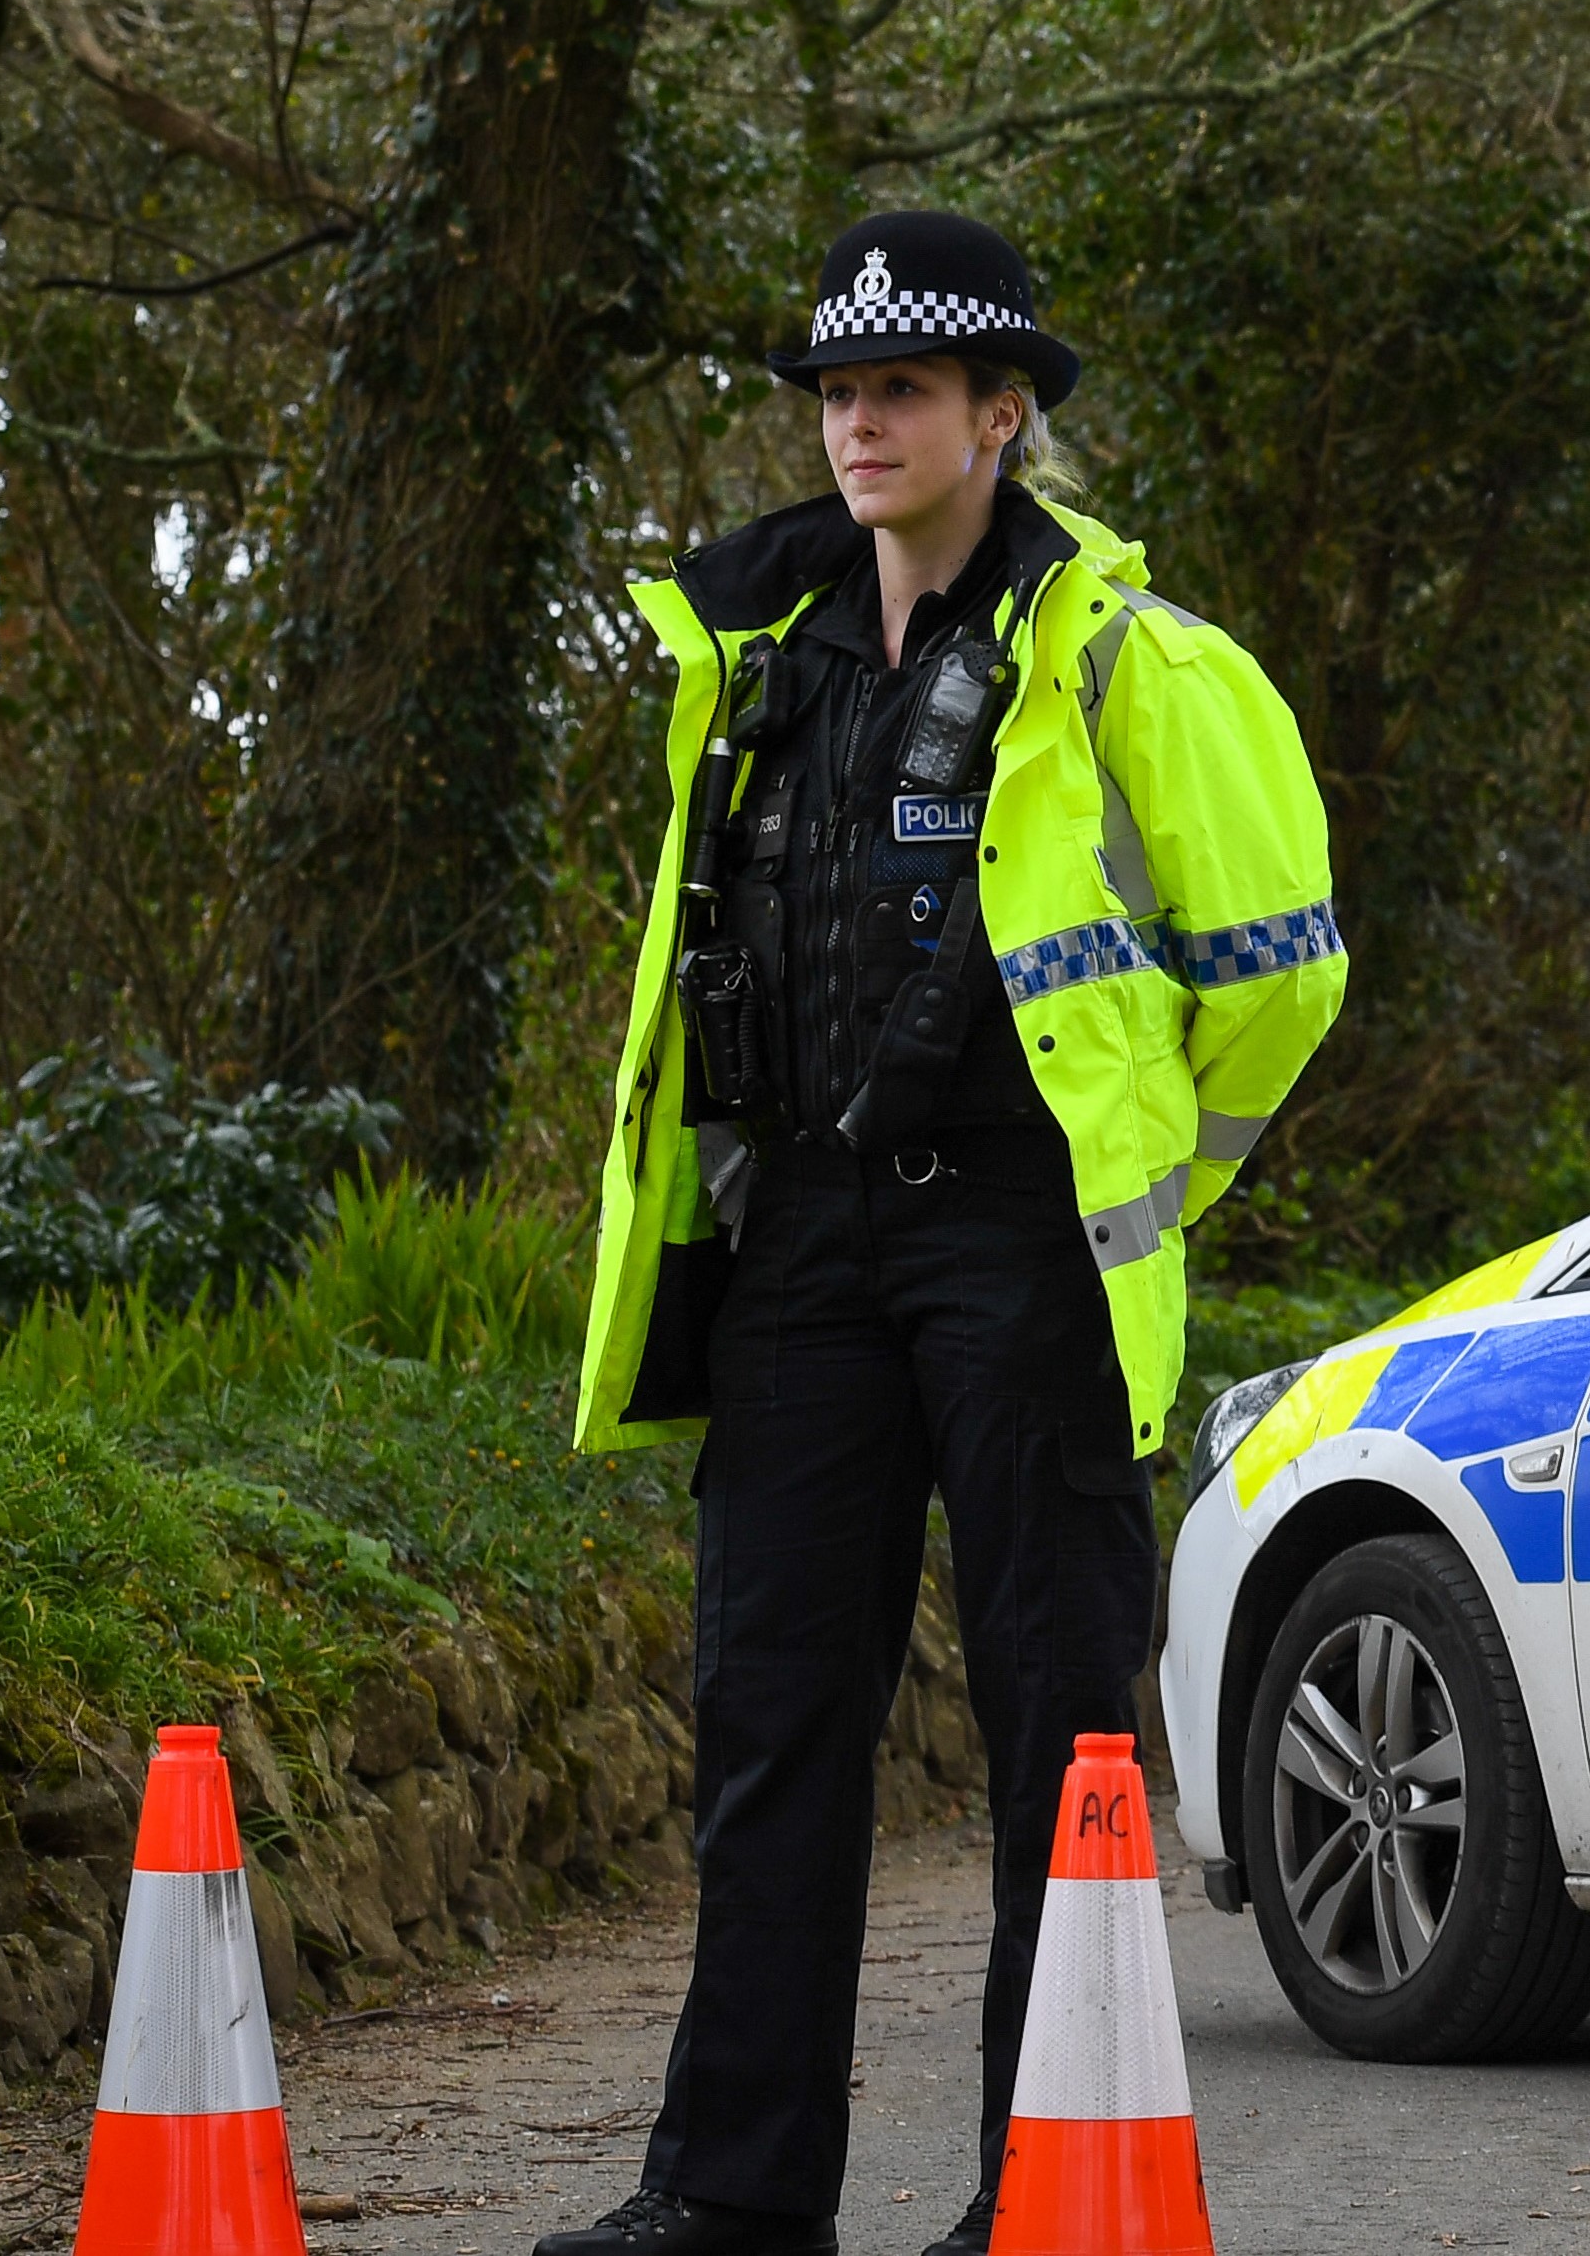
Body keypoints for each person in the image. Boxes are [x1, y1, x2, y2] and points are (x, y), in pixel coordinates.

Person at [547, 210, 1346, 2256]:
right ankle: (730, 2198)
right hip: (800, 1250)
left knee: (1059, 1747)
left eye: (899, 389)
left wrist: (1137, 1174)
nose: (855, 423)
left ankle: (1049, 2198)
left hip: (1020, 1243)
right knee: (771, 1724)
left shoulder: (1131, 664)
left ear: (1002, 417)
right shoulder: (752, 653)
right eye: (834, 390)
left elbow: (1276, 974)